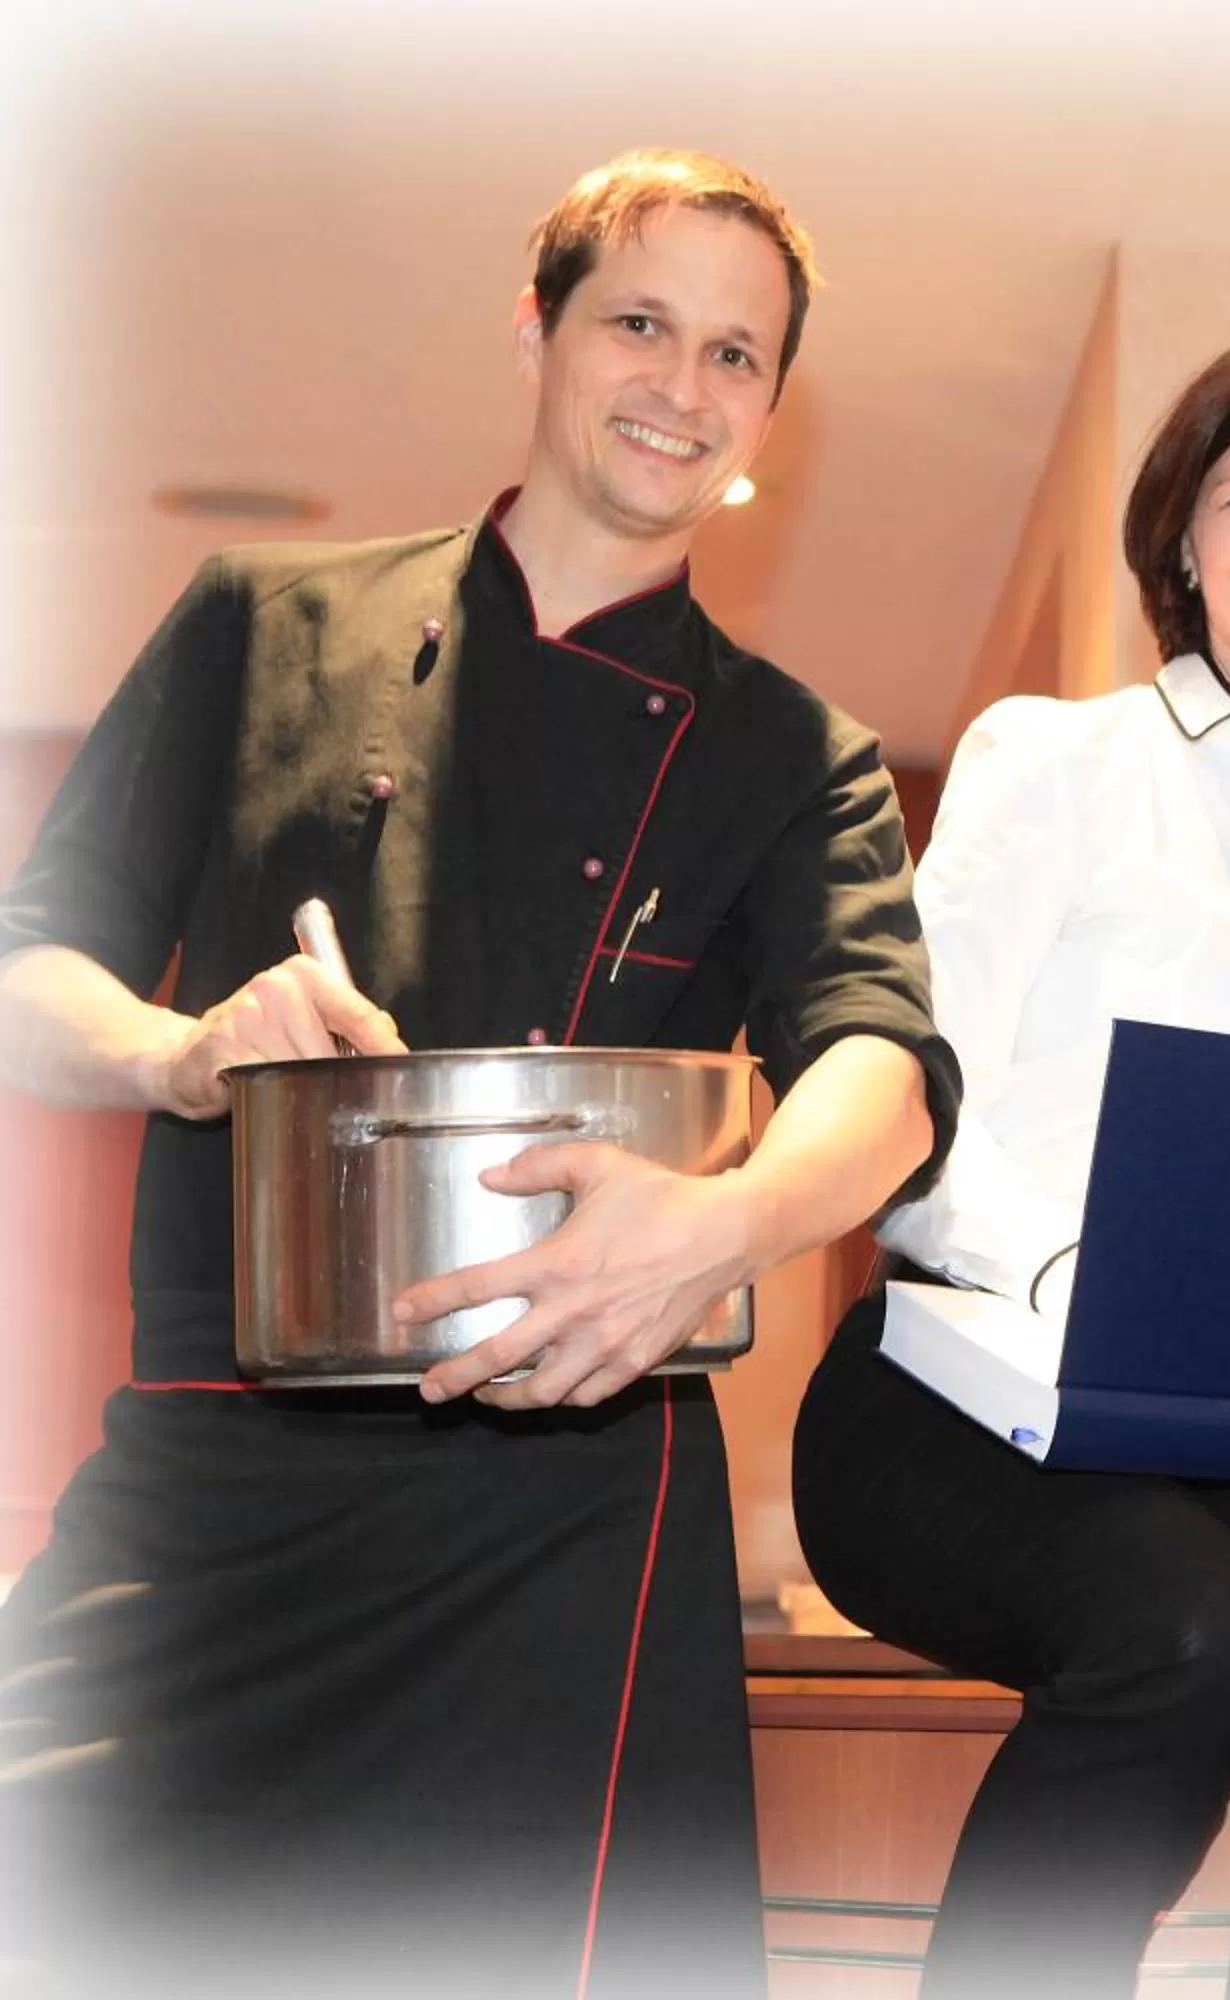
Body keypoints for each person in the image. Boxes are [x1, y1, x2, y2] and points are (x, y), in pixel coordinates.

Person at [0, 151, 957, 1998]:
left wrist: (725, 1223)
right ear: (539, 328)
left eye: (736, 355)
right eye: (642, 324)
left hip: (568, 1509)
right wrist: (180, 1049)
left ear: (772, 404)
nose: (684, 388)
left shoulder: (798, 757)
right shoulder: (261, 623)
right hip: (219, 1462)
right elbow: (34, 959)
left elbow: (883, 1072)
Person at [791, 330, 1230, 2000]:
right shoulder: (1057, 760)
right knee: (1187, 1634)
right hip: (966, 1394)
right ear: (1183, 543)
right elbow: (919, 1103)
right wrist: (1119, 1302)